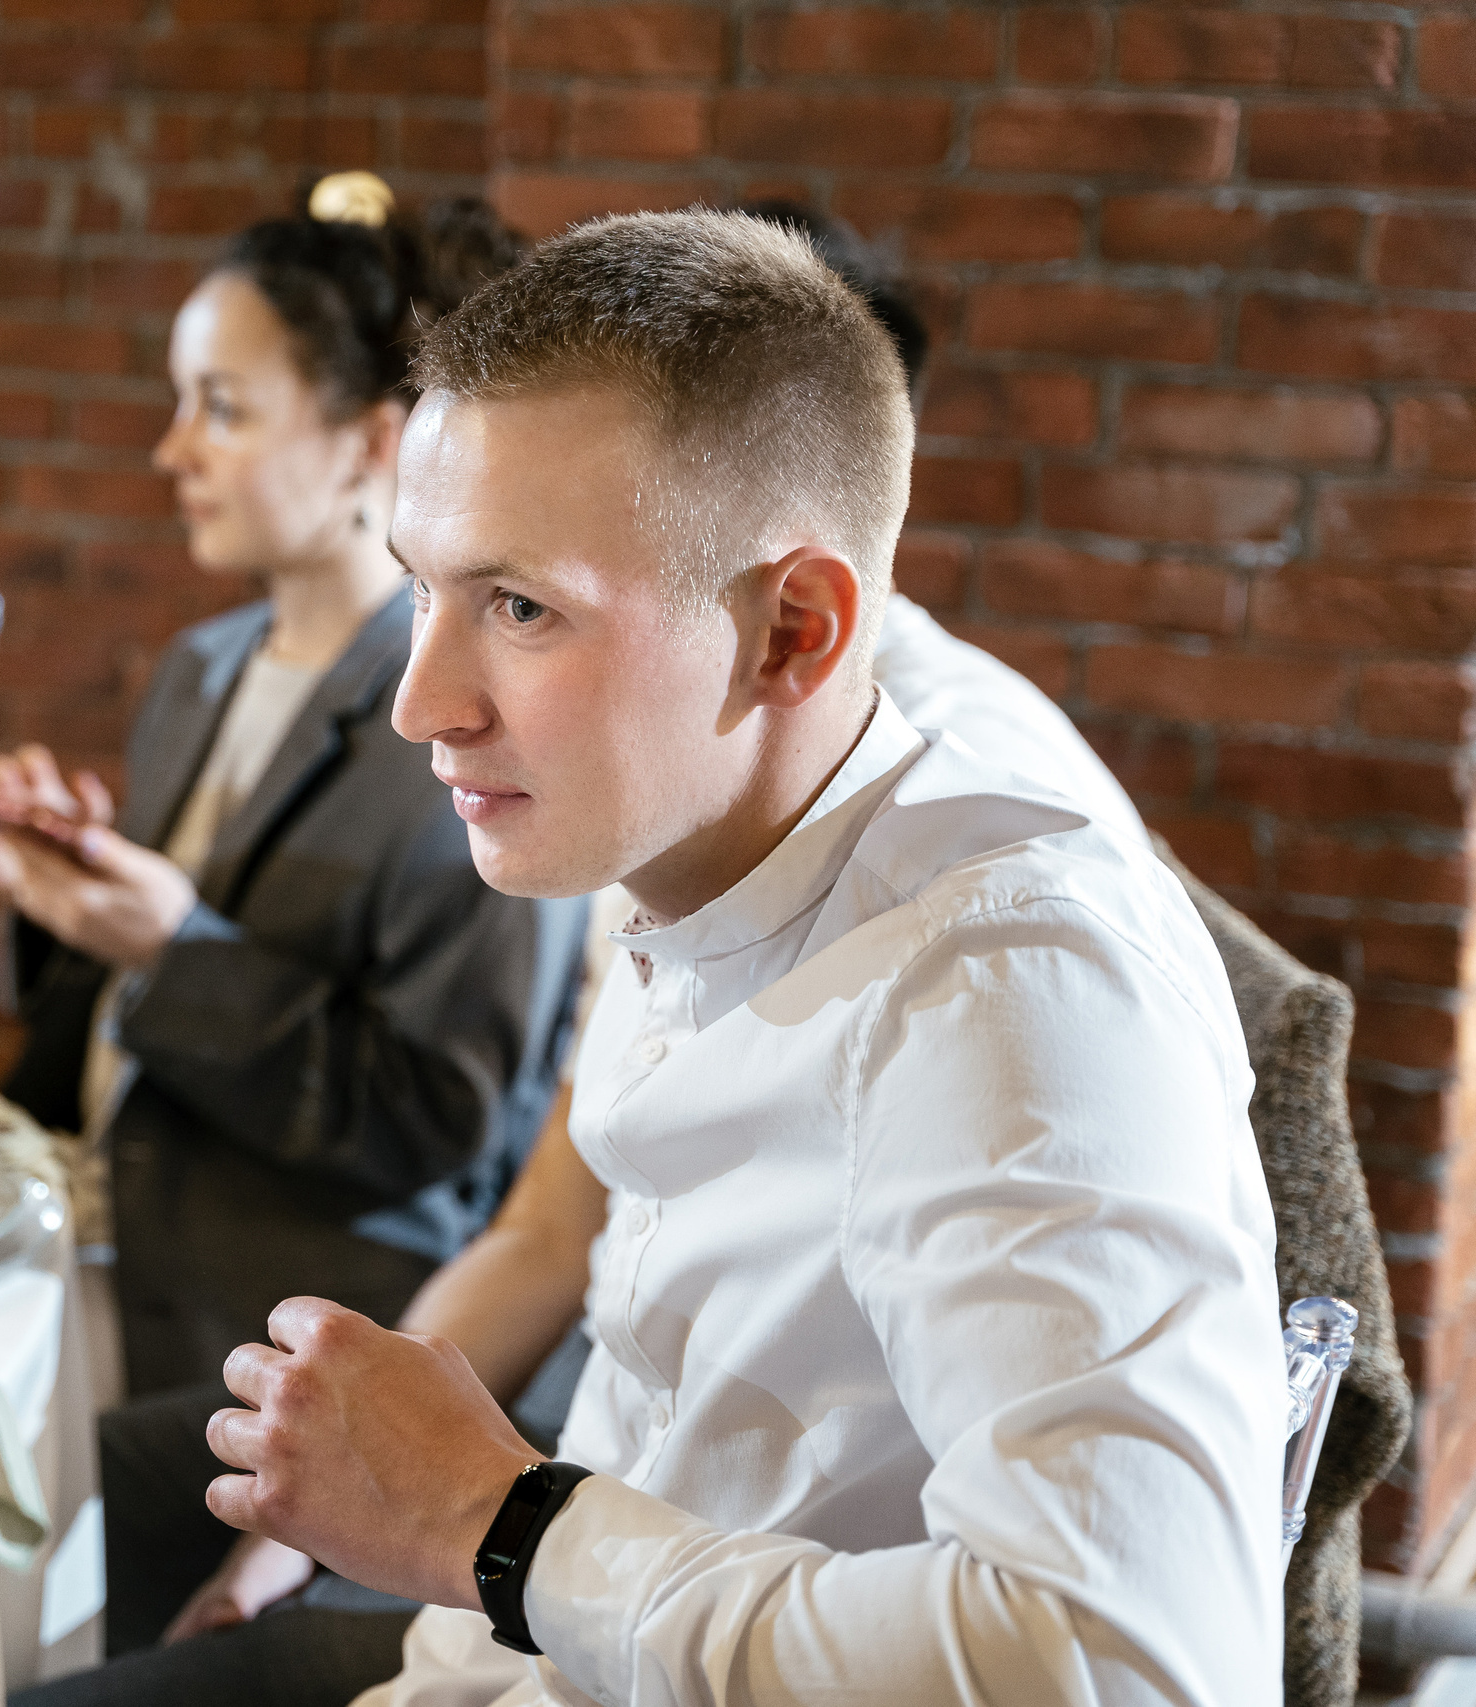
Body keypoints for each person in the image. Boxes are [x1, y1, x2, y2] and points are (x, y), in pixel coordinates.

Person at [205, 210, 1285, 1706]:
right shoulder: (683, 855)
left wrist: (497, 1523)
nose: (422, 702)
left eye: (520, 606)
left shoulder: (1001, 985)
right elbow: (649, 1460)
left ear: (794, 631)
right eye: (424, 589)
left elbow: (1134, 1667)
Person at [0, 175, 588, 1667]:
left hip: (275, 1307)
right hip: (90, 1232)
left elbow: (442, 1126)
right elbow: (117, 1008)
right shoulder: (202, 662)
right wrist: (58, 894)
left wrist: (173, 948)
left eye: (221, 409)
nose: (174, 451)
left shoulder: (460, 724)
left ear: (374, 442)